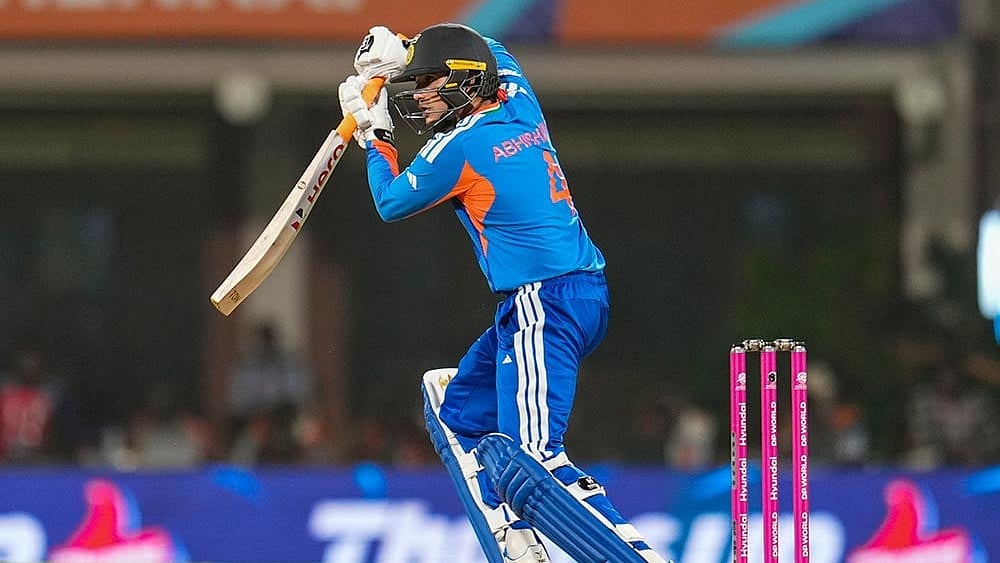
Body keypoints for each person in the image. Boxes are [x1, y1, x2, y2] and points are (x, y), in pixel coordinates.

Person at [339, 23, 668, 562]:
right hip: (568, 297)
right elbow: (493, 47)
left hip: (545, 303)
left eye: (427, 83)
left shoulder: (456, 147)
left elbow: (390, 202)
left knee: (535, 461)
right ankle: (518, 539)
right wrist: (407, 47)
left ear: (464, 83)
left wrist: (377, 137)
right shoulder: (518, 102)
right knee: (456, 409)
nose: (419, 97)